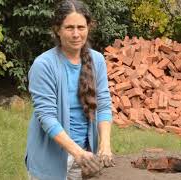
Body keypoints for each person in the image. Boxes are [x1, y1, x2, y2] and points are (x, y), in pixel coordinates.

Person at [24, 0, 114, 179]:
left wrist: (104, 144)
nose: (76, 34)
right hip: (51, 159)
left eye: (81, 27)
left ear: (89, 27)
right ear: (57, 29)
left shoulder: (97, 61)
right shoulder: (44, 65)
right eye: (69, 27)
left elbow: (103, 106)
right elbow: (47, 117)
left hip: (87, 155)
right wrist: (77, 153)